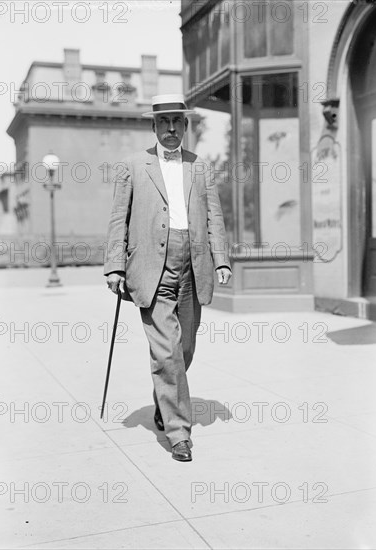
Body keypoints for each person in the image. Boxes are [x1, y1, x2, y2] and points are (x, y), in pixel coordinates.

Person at [104, 94, 232, 462]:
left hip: (192, 267)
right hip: (150, 269)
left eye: (178, 121)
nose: (172, 128)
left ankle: (165, 398)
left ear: (186, 125)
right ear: (154, 126)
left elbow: (214, 217)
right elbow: (118, 220)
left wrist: (220, 259)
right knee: (167, 352)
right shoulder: (132, 166)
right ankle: (179, 434)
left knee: (184, 349)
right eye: (164, 122)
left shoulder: (199, 167)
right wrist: (114, 266)